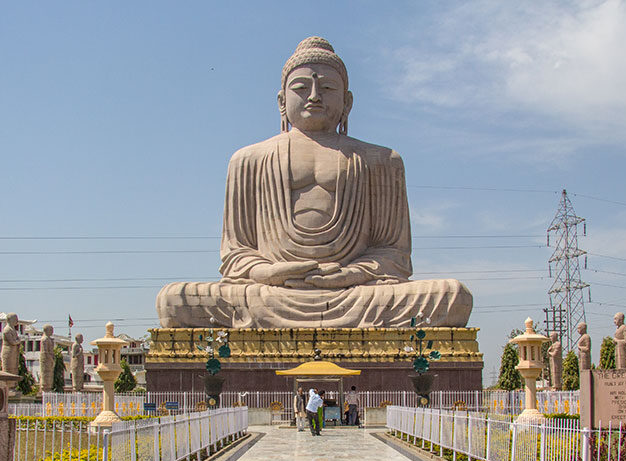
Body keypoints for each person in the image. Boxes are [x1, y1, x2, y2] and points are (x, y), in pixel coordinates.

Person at [156, 36, 472, 329]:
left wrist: (350, 274)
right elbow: (236, 254)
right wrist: (270, 272)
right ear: (282, 101)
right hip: (271, 292)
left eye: (328, 88)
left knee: (451, 296)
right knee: (174, 301)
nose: (314, 96)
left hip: (355, 293)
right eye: (301, 87)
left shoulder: (382, 160)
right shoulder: (248, 160)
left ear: (347, 102)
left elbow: (393, 254)